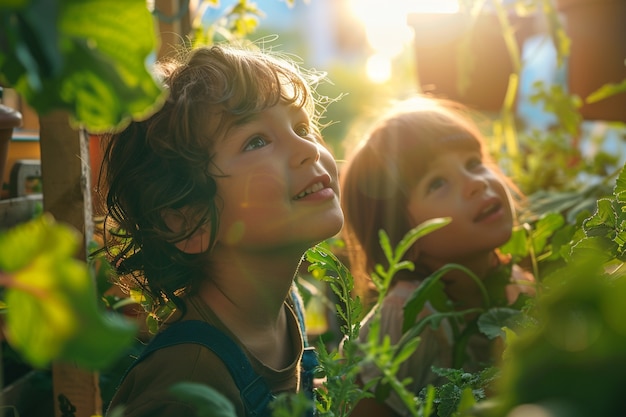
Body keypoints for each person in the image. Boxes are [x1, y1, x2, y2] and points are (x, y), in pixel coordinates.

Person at [98, 43, 344, 417]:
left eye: (302, 127)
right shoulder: (185, 388)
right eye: (256, 141)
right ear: (188, 220)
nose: (307, 149)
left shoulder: (279, 304)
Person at [339, 96, 535, 417]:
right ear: (405, 239)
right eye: (437, 183)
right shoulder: (405, 317)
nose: (475, 183)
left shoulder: (517, 282)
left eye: (473, 163)